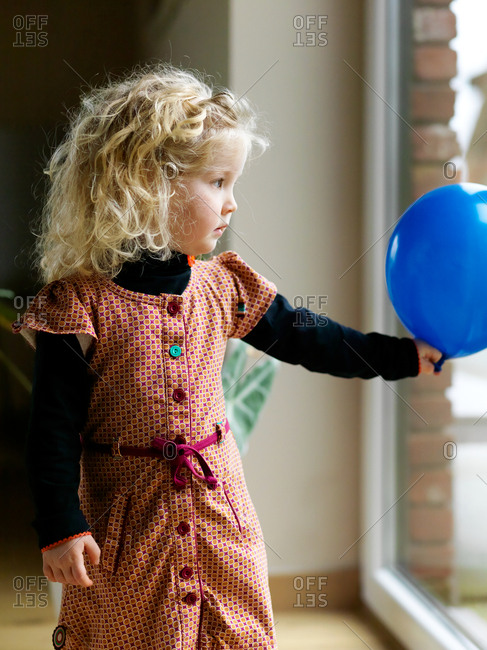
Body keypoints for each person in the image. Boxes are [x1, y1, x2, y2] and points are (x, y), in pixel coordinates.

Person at [13, 63, 441, 650]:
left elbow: (306, 336)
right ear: (148, 182)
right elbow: (51, 432)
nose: (232, 203)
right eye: (217, 182)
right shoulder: (78, 306)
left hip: (221, 515)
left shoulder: (224, 286)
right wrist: (60, 527)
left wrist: (399, 357)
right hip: (127, 528)